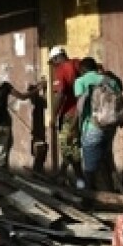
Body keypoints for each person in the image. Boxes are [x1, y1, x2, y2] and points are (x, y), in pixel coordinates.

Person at [74, 57, 123, 191]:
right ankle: (110, 193)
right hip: (110, 126)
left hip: (92, 127)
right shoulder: (111, 81)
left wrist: (75, 128)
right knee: (106, 160)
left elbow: (80, 107)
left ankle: (89, 196)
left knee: (90, 168)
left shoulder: (80, 81)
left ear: (82, 69)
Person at [0, 66, 37, 169]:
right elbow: (22, 97)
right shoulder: (5, 85)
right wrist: (37, 90)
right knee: (0, 158)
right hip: (6, 124)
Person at [49, 46, 85, 187]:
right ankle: (62, 174)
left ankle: (80, 179)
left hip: (70, 113)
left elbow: (60, 94)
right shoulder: (78, 63)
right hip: (84, 113)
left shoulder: (62, 69)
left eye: (53, 62)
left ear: (57, 58)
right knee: (71, 144)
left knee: (68, 145)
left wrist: (53, 116)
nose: (53, 65)